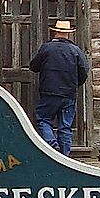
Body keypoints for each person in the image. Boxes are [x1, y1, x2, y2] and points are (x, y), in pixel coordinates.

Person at [28, 20, 89, 156]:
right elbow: (84, 72)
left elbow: (33, 66)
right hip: (69, 94)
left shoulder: (46, 48)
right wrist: (74, 84)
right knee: (65, 126)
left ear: (55, 32)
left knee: (43, 119)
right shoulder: (76, 51)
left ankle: (51, 144)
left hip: (49, 92)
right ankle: (65, 156)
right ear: (68, 34)